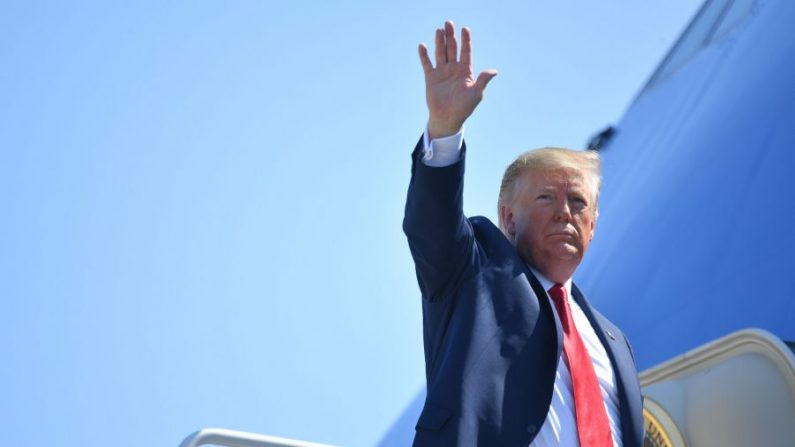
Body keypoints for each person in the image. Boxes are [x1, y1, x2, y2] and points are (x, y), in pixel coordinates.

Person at [403, 21, 644, 446]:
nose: (565, 214)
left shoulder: (613, 341)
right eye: (547, 198)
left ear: (593, 224)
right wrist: (444, 131)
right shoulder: (473, 275)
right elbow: (432, 227)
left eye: (579, 203)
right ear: (509, 219)